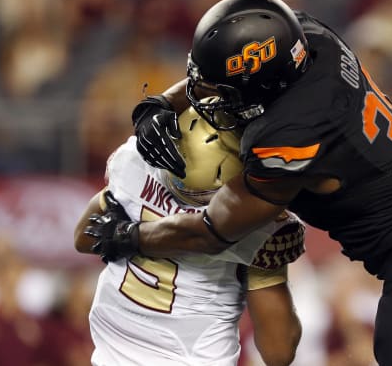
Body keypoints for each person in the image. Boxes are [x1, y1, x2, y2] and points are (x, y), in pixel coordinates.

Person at [87, 0, 392, 366]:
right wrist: (159, 102)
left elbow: (214, 231)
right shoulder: (306, 38)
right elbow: (226, 78)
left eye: (222, 92)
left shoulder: (289, 134)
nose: (202, 99)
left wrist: (131, 236)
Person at [74, 104, 305, 366]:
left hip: (112, 350)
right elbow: (279, 351)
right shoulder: (255, 225)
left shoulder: (136, 163)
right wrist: (266, 269)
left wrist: (123, 234)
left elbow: (84, 236)